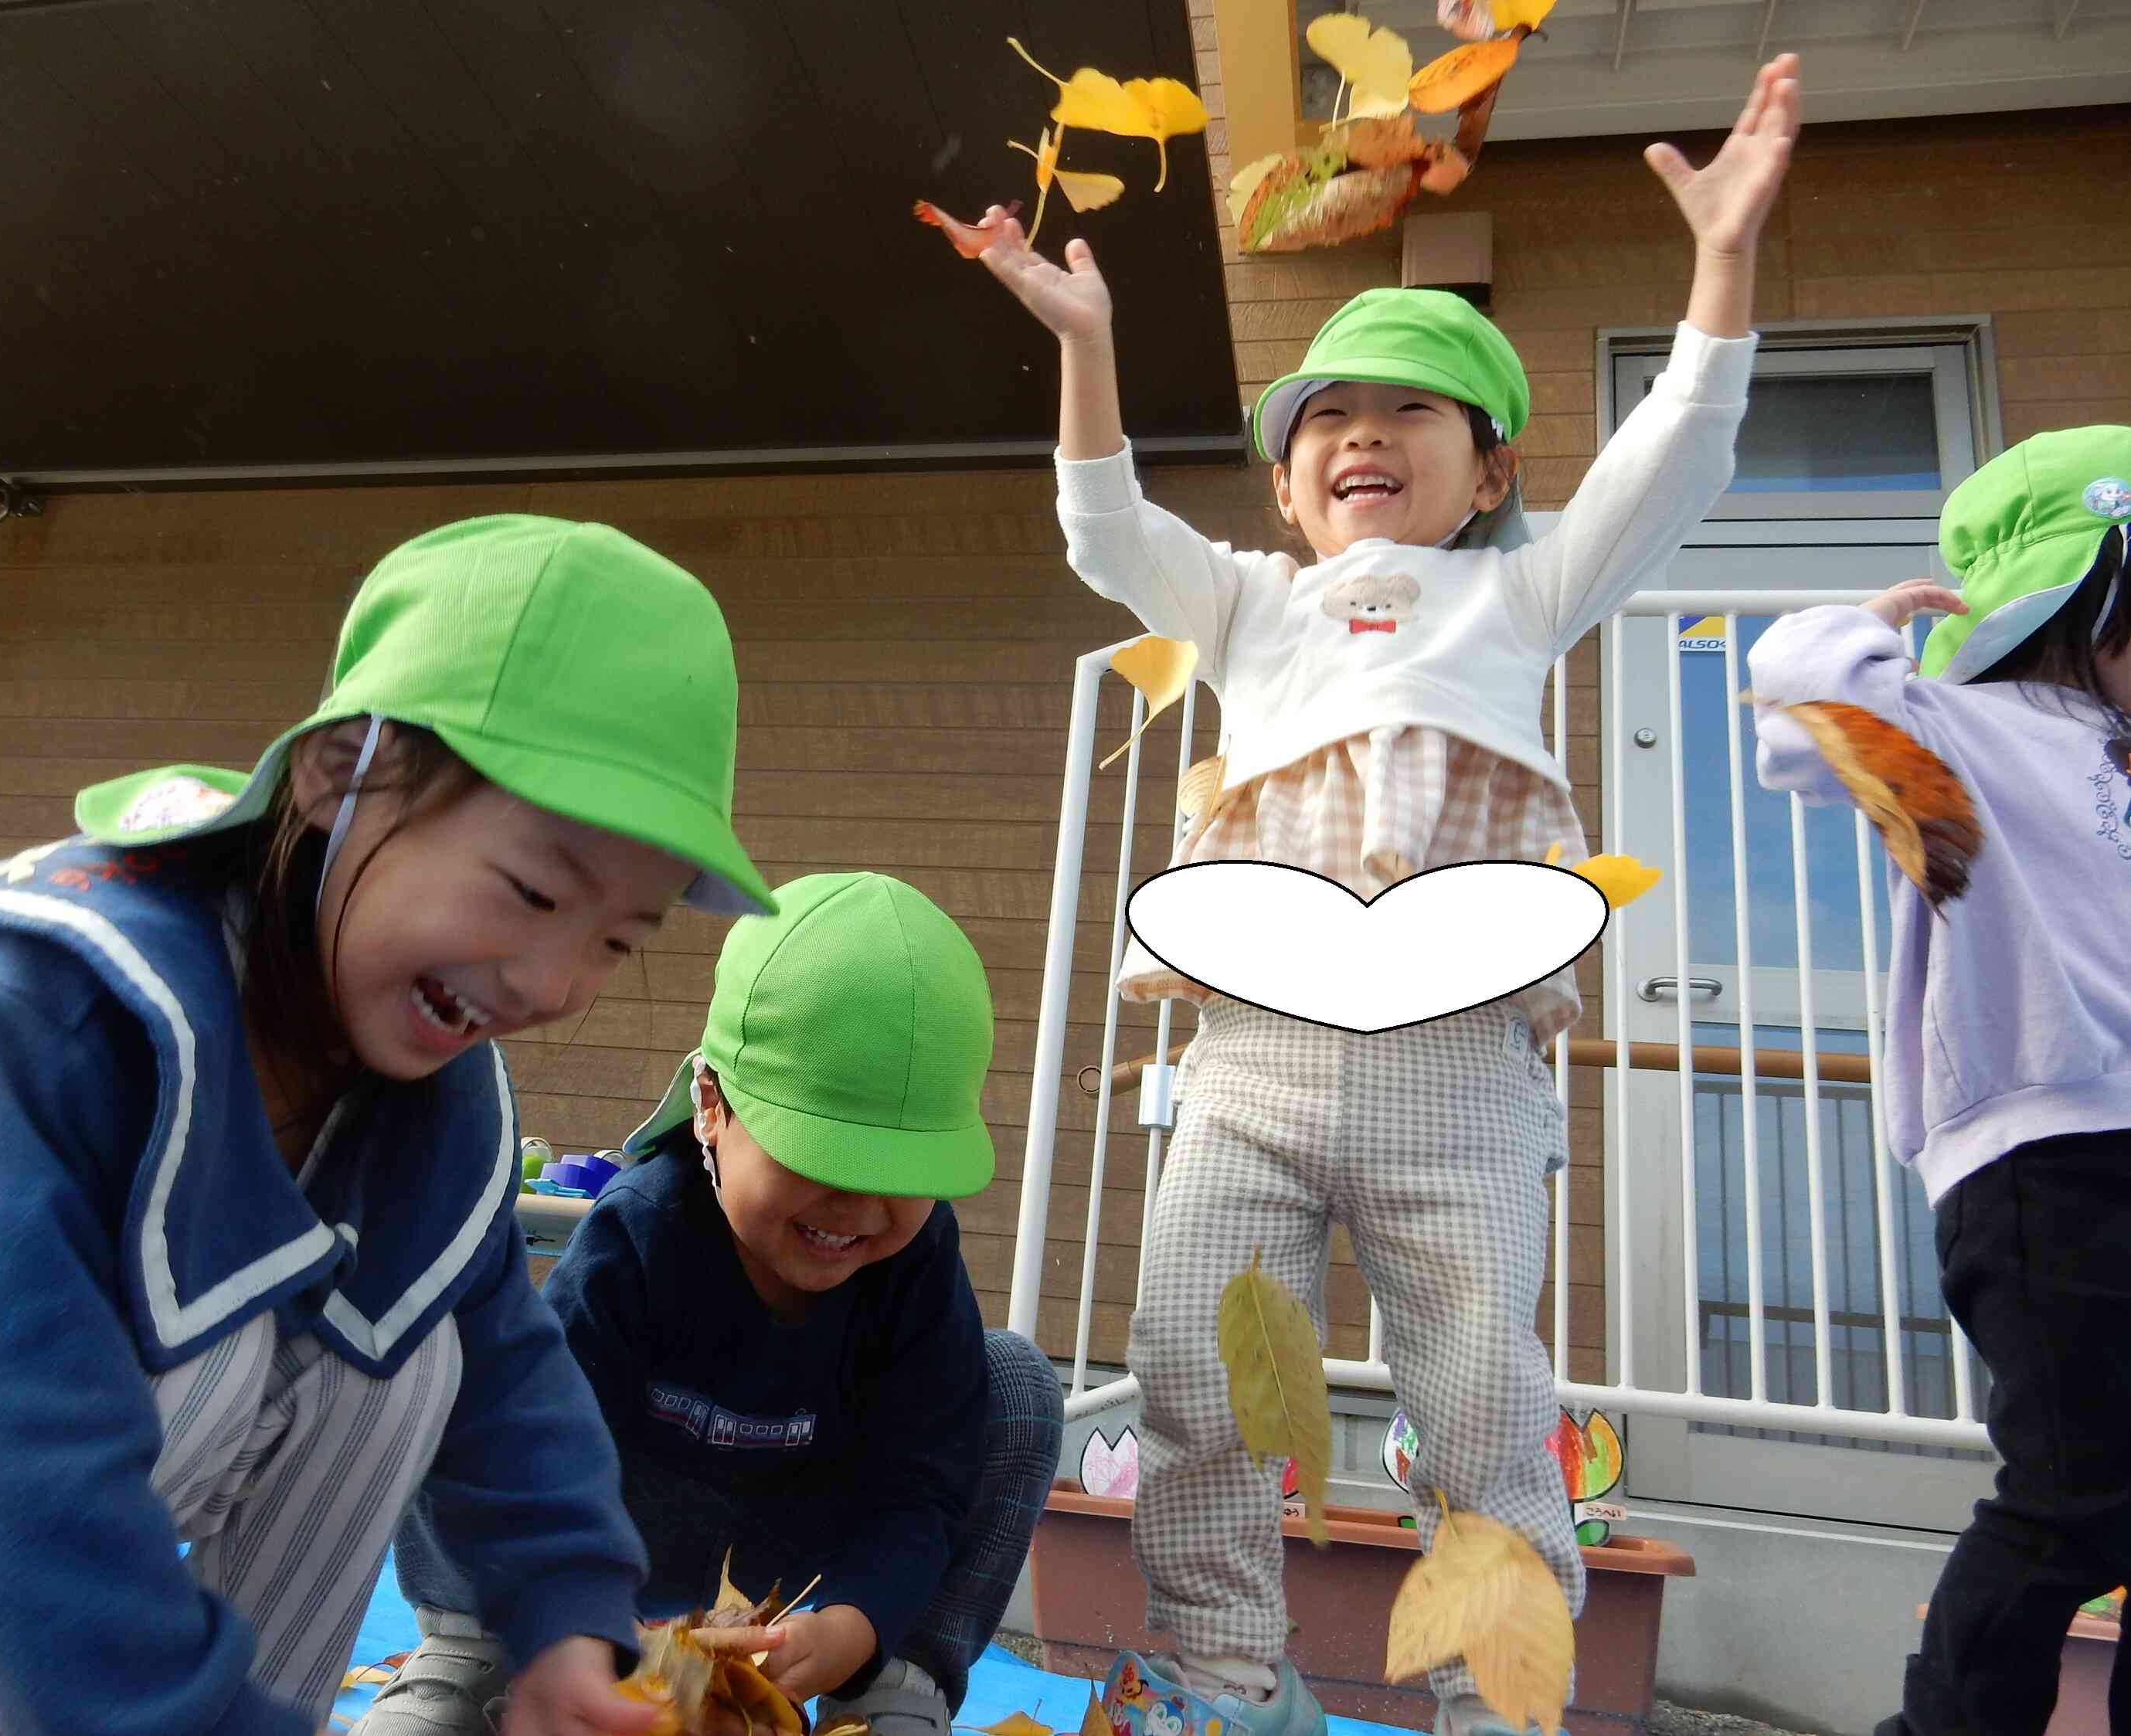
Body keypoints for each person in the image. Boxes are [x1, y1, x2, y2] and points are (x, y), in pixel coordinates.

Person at [976, 53, 1801, 1736]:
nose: (1362, 436)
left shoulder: (1522, 598)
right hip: (1255, 1059)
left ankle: (1503, 1699)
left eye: (1410, 412)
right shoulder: (1250, 610)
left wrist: (1720, 263)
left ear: (1486, 474)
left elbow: (1677, 457)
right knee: (1194, 1372)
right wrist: (1085, 347)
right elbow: (1100, 522)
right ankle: (1218, 1679)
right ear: (1286, 489)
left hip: (1456, 1072)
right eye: (1326, 424)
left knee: (1483, 1404)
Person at [0, 514, 775, 1736]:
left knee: (405, 1346)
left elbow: (505, 1369)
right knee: (194, 1353)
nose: (549, 979)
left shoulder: (428, 1094)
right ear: (337, 773)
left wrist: (570, 1616)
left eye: (614, 939)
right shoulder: (65, 994)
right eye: (533, 889)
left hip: (4, 1457)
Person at [359, 871, 1067, 1736]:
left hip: (804, 1565)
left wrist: (854, 1623)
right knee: (469, 1358)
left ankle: (893, 1690)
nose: (855, 1210)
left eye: (899, 1178)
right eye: (820, 1157)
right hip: (615, 1531)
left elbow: (919, 1485)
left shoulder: (917, 1265)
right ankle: (473, 1653)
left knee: (1019, 1387)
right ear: (709, 1107)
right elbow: (541, 1459)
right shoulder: (638, 1240)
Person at [1749, 426, 2131, 1736]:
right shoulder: (1951, 737)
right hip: (2041, 1160)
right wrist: (1867, 631)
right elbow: (1801, 714)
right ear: (2091, 593)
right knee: (2077, 1490)